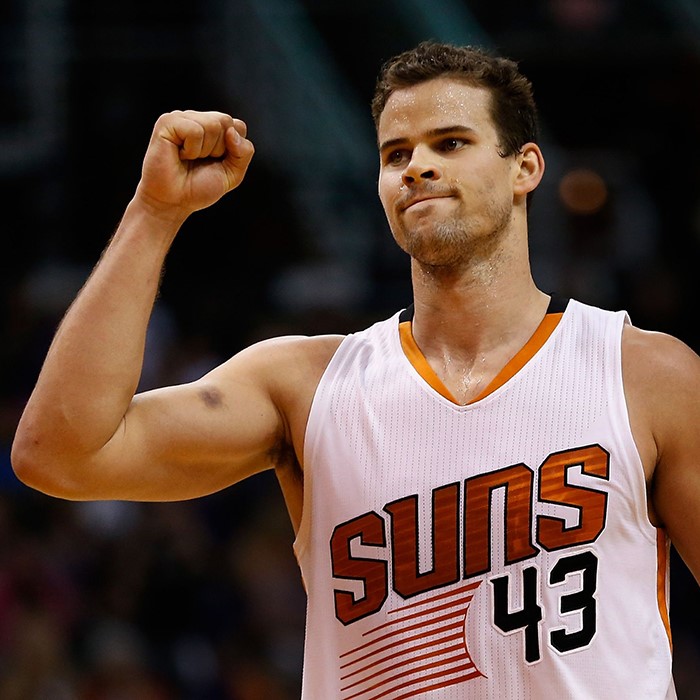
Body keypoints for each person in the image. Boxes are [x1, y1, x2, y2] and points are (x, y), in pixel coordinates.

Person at [11, 40, 699, 699]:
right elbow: (60, 454)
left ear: (524, 168)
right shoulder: (305, 386)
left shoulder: (647, 375)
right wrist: (155, 213)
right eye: (397, 153)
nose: (417, 167)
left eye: (450, 143)